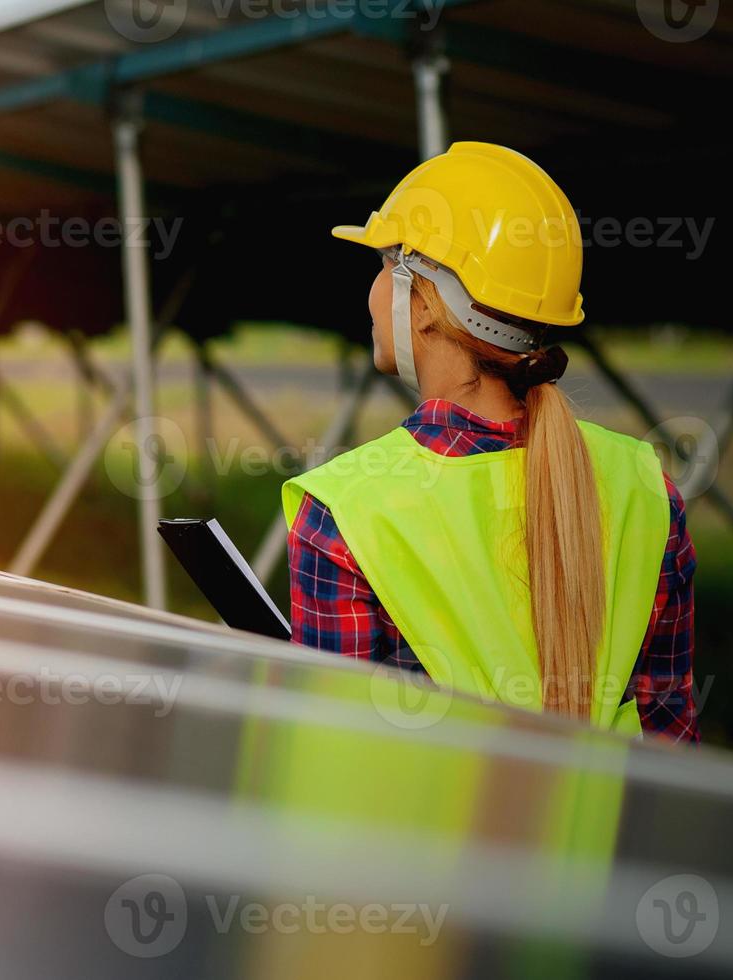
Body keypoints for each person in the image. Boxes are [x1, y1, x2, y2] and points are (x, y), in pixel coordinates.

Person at [284, 142, 698, 741]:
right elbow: (673, 736)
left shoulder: (343, 513)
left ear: (423, 302)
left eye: (381, 266)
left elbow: (333, 760)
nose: (371, 295)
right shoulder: (647, 488)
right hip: (611, 831)